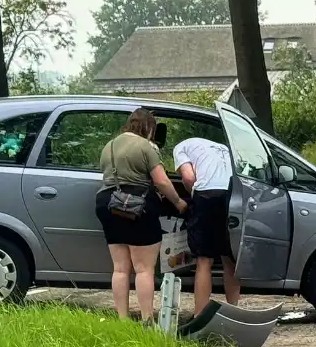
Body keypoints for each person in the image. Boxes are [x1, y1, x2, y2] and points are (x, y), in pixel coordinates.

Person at [95, 108, 187, 324]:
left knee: (119, 268)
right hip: (138, 207)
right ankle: (147, 320)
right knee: (144, 269)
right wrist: (178, 202)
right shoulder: (146, 146)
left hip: (108, 203)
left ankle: (123, 320)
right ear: (148, 127)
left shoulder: (109, 146)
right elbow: (162, 181)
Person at [173, 137, 240, 315]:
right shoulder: (226, 148)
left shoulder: (181, 146)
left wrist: (192, 196)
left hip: (207, 196)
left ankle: (200, 314)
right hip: (233, 194)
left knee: (204, 260)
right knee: (229, 257)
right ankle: (234, 310)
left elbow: (188, 177)